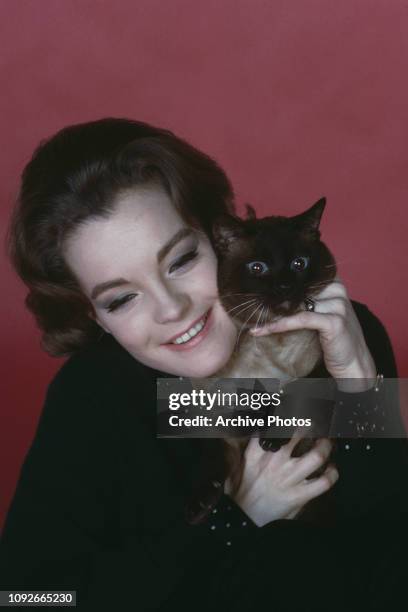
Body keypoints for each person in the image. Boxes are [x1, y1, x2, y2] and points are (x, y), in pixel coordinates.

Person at [0, 117, 407, 612]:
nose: (171, 310)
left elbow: (388, 572)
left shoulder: (337, 333)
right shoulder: (95, 394)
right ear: (96, 317)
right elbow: (27, 597)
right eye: (121, 298)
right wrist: (235, 519)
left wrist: (360, 394)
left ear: (221, 236)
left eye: (180, 261)